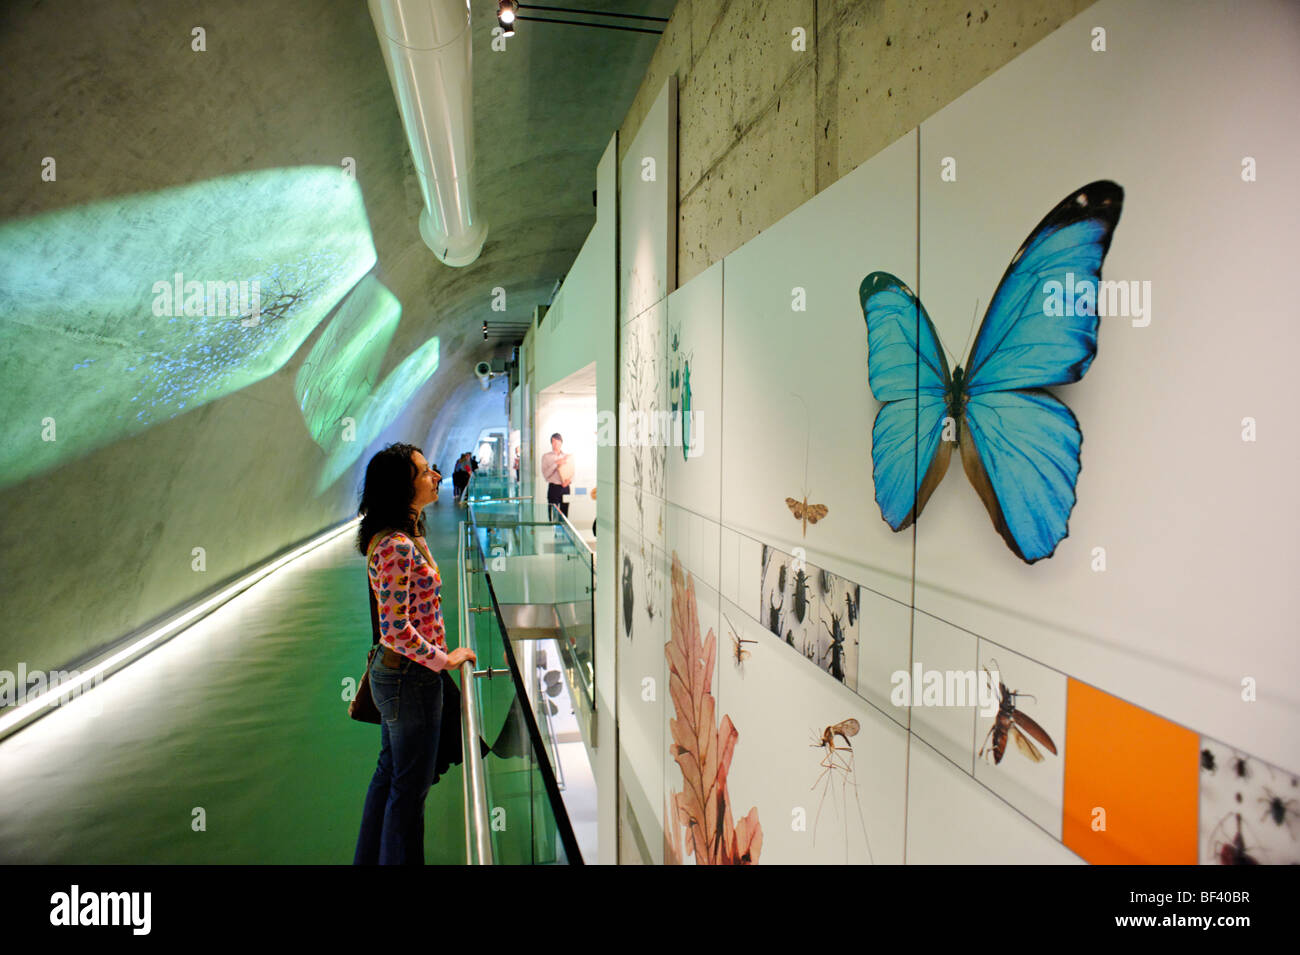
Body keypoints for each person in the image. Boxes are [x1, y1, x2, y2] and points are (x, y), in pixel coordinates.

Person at [353, 443, 476, 865]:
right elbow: (395, 630)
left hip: (404, 677)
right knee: (409, 791)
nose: (436, 476)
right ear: (401, 487)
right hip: (411, 678)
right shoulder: (396, 547)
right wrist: (446, 660)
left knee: (390, 774)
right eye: (425, 473)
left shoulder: (408, 534)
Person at [540, 432, 571, 518]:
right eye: (553, 442)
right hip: (553, 488)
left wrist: (569, 481)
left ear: (561, 442)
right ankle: (552, 531)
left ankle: (563, 530)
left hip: (565, 488)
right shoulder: (546, 456)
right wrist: (556, 464)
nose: (556, 444)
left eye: (558, 441)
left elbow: (572, 472)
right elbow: (545, 474)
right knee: (552, 514)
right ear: (551, 443)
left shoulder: (567, 456)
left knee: (565, 514)